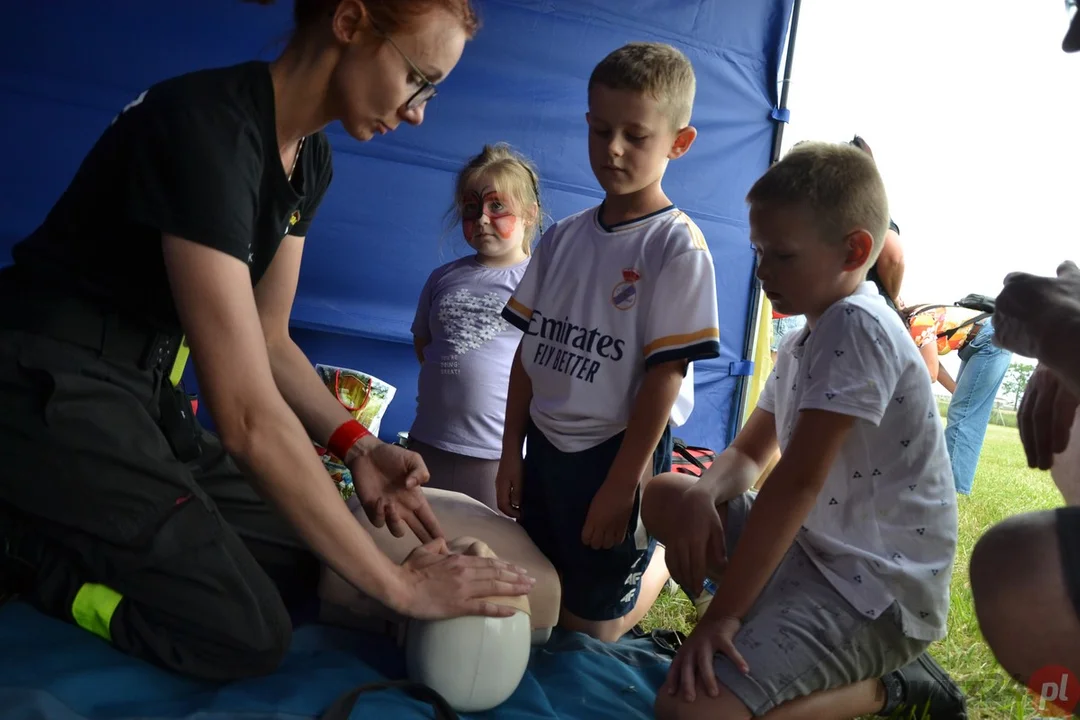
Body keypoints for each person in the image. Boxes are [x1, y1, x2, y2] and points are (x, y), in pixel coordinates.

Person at [0, 0, 535, 682]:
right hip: (45, 381)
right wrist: (399, 589)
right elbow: (247, 417)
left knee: (302, 555)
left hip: (139, 392)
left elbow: (270, 338)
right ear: (349, 23)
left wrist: (361, 445)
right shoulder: (210, 126)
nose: (417, 112)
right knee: (242, 634)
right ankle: (26, 556)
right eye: (416, 80)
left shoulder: (308, 159)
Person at [645, 141, 961, 719]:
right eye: (759, 251)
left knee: (686, 712)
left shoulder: (859, 325)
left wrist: (720, 616)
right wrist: (703, 495)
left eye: (782, 255)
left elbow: (795, 483)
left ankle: (890, 688)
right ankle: (769, 626)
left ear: (854, 250)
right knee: (670, 496)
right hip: (810, 553)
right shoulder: (803, 342)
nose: (763, 271)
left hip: (874, 592)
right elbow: (748, 451)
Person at [496, 41, 722, 643]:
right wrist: (509, 451)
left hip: (616, 454)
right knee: (538, 605)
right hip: (546, 447)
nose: (613, 149)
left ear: (679, 142)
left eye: (635, 135)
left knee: (587, 633)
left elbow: (665, 377)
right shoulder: (563, 238)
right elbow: (528, 354)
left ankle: (655, 565)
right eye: (600, 130)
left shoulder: (676, 247)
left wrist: (623, 485)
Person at [409, 143, 542, 512]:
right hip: (427, 443)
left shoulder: (540, 282)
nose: (482, 218)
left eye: (497, 206)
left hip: (494, 456)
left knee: (486, 553)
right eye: (472, 208)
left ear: (530, 214)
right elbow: (425, 341)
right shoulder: (444, 277)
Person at [904, 302, 1012, 495]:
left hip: (991, 339)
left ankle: (950, 489)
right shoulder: (914, 329)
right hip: (981, 340)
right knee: (962, 409)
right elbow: (936, 366)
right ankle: (944, 482)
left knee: (963, 415)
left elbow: (930, 373)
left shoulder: (918, 324)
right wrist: (958, 393)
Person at [849, 136, 906, 312]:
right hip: (871, 309)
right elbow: (893, 258)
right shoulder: (872, 208)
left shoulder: (828, 212)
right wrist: (894, 296)